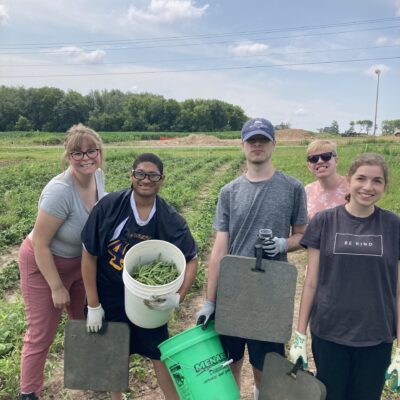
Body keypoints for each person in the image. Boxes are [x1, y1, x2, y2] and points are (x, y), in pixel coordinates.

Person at [196, 118, 308, 399]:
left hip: (270, 293)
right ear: (242, 145)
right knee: (230, 362)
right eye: (251, 140)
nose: (257, 145)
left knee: (265, 366)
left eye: (263, 139)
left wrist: (283, 243)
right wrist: (210, 300)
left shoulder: (293, 188)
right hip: (234, 290)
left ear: (273, 144)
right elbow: (220, 249)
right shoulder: (229, 192)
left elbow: (302, 236)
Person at [81, 152, 198, 400]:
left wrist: (178, 297)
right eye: (140, 173)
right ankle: (116, 397)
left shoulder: (169, 218)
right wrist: (93, 304)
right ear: (131, 176)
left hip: (148, 297)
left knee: (159, 353)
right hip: (110, 292)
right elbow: (89, 254)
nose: (146, 179)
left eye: (153, 175)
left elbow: (191, 259)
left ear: (162, 179)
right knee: (113, 350)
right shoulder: (109, 207)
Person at [289, 153, 400, 400]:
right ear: (349, 180)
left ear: (385, 186)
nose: (368, 187)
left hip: (376, 335)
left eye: (377, 181)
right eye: (361, 178)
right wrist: (299, 335)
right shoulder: (324, 221)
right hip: (329, 332)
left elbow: (398, 291)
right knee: (331, 395)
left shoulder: (393, 226)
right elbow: (311, 282)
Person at [18, 124, 105, 400]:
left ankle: (86, 374)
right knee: (42, 332)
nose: (86, 157)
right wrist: (56, 287)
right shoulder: (59, 192)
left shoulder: (98, 177)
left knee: (83, 320)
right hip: (43, 264)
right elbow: (41, 244)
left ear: (100, 153)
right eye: (77, 152)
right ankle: (28, 392)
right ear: (68, 156)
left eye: (91, 150)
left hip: (79, 262)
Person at [305, 139, 348, 220]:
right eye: (313, 158)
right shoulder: (307, 191)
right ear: (309, 166)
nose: (320, 161)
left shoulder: (353, 188)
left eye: (326, 156)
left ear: (336, 160)